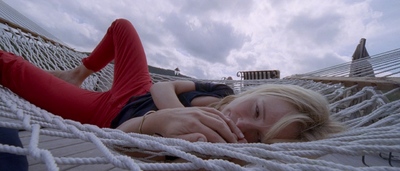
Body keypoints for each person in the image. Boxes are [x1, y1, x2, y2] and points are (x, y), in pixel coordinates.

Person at [0, 19, 344, 144]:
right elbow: (161, 86)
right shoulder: (222, 93)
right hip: (137, 86)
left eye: (256, 137)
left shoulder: (209, 142)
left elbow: (115, 140)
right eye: (254, 110)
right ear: (260, 92)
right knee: (122, 26)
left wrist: (161, 122)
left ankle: (78, 84)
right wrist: (176, 110)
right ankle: (79, 73)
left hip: (104, 113)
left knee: (10, 67)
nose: (241, 124)